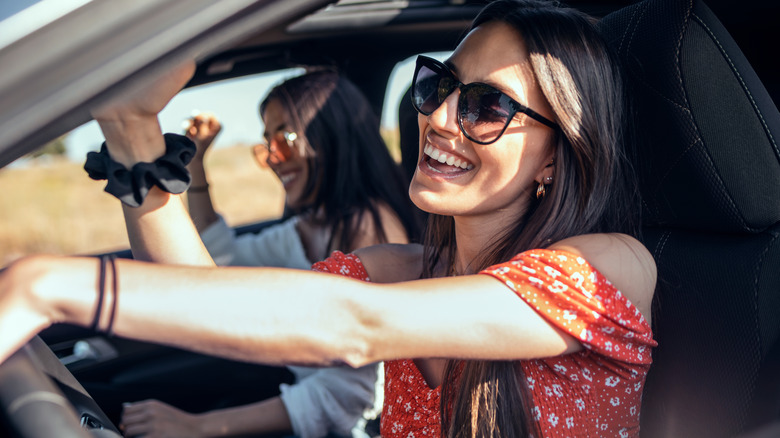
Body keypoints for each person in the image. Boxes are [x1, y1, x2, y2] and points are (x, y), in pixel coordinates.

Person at [0, 0, 657, 436]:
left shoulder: (612, 268)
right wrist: (132, 126)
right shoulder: (399, 272)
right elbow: (207, 297)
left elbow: (353, 327)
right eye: (438, 87)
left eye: (487, 107)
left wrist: (44, 282)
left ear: (556, 156)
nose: (439, 118)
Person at [119, 71, 421, 438]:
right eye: (267, 143)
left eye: (285, 138)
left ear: (332, 136)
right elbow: (220, 263)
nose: (274, 158)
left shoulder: (375, 231)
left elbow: (350, 394)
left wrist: (197, 426)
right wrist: (195, 166)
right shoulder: (310, 226)